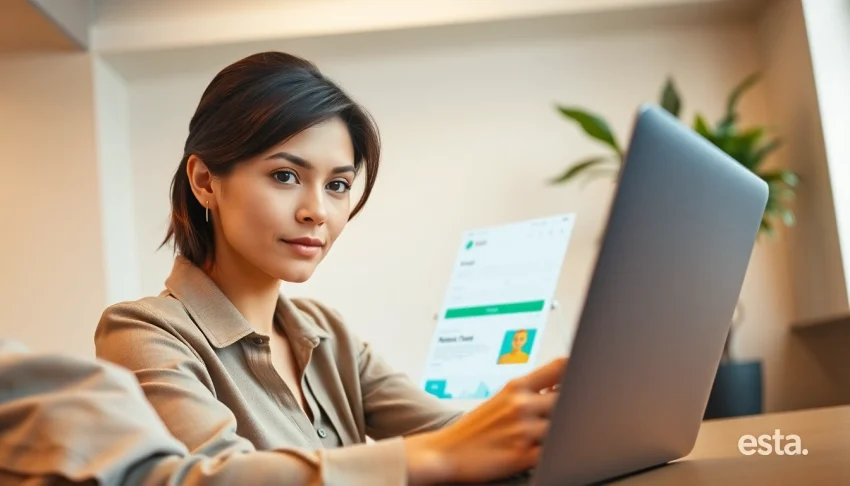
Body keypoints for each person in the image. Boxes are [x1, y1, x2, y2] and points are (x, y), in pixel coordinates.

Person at [94, 51, 566, 486]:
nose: (316, 211)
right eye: (285, 176)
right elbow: (215, 478)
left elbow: (456, 434)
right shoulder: (142, 333)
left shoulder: (325, 333)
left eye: (338, 184)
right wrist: (435, 457)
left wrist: (552, 418)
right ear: (204, 181)